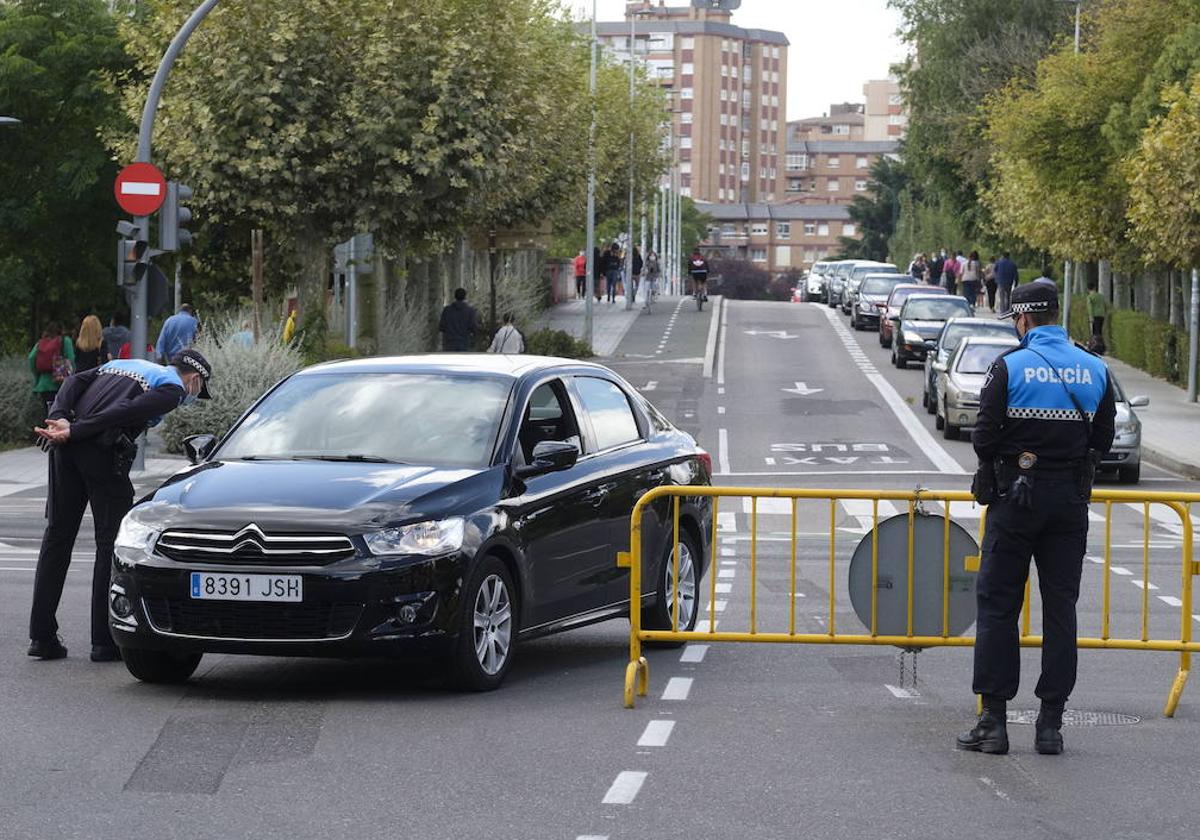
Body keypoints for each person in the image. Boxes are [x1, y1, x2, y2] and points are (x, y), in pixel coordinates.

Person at [959, 282, 1115, 756]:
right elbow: (1103, 442)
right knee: (1061, 609)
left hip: (1015, 500)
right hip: (1069, 503)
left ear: (1024, 319)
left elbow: (983, 439)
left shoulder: (1009, 366)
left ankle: (994, 722)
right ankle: (1050, 725)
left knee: (999, 607)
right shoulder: (1095, 369)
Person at [27, 351, 213, 663]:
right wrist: (77, 429)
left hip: (66, 448)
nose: (194, 395)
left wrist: (61, 417)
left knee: (56, 538)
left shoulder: (124, 364)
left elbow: (73, 381)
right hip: (100, 452)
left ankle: (41, 636)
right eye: (199, 389)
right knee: (108, 544)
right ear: (194, 379)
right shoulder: (172, 390)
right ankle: (104, 641)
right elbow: (122, 412)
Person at [29, 322, 75, 417]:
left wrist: (38, 377)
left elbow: (31, 357)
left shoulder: (41, 343)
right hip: (61, 384)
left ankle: (49, 429)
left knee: (49, 414)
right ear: (61, 330)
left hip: (44, 385)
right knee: (61, 415)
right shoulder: (65, 341)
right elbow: (71, 360)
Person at [1086, 279, 1108, 353]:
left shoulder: (1090, 297)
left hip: (1094, 315)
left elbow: (1090, 308)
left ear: (1088, 289)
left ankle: (1095, 346)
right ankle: (1101, 346)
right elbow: (1105, 305)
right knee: (1100, 331)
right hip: (1101, 315)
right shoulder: (1100, 296)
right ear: (1095, 288)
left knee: (1095, 332)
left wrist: (1090, 317)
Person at [994, 252, 1019, 317]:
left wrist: (997, 278)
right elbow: (1016, 274)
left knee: (1002, 297)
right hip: (1009, 281)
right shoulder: (1012, 264)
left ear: (1003, 256)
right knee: (1008, 296)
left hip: (1001, 281)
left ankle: (1002, 311)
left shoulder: (999, 262)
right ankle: (1007, 310)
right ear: (1008, 256)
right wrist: (1016, 282)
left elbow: (995, 270)